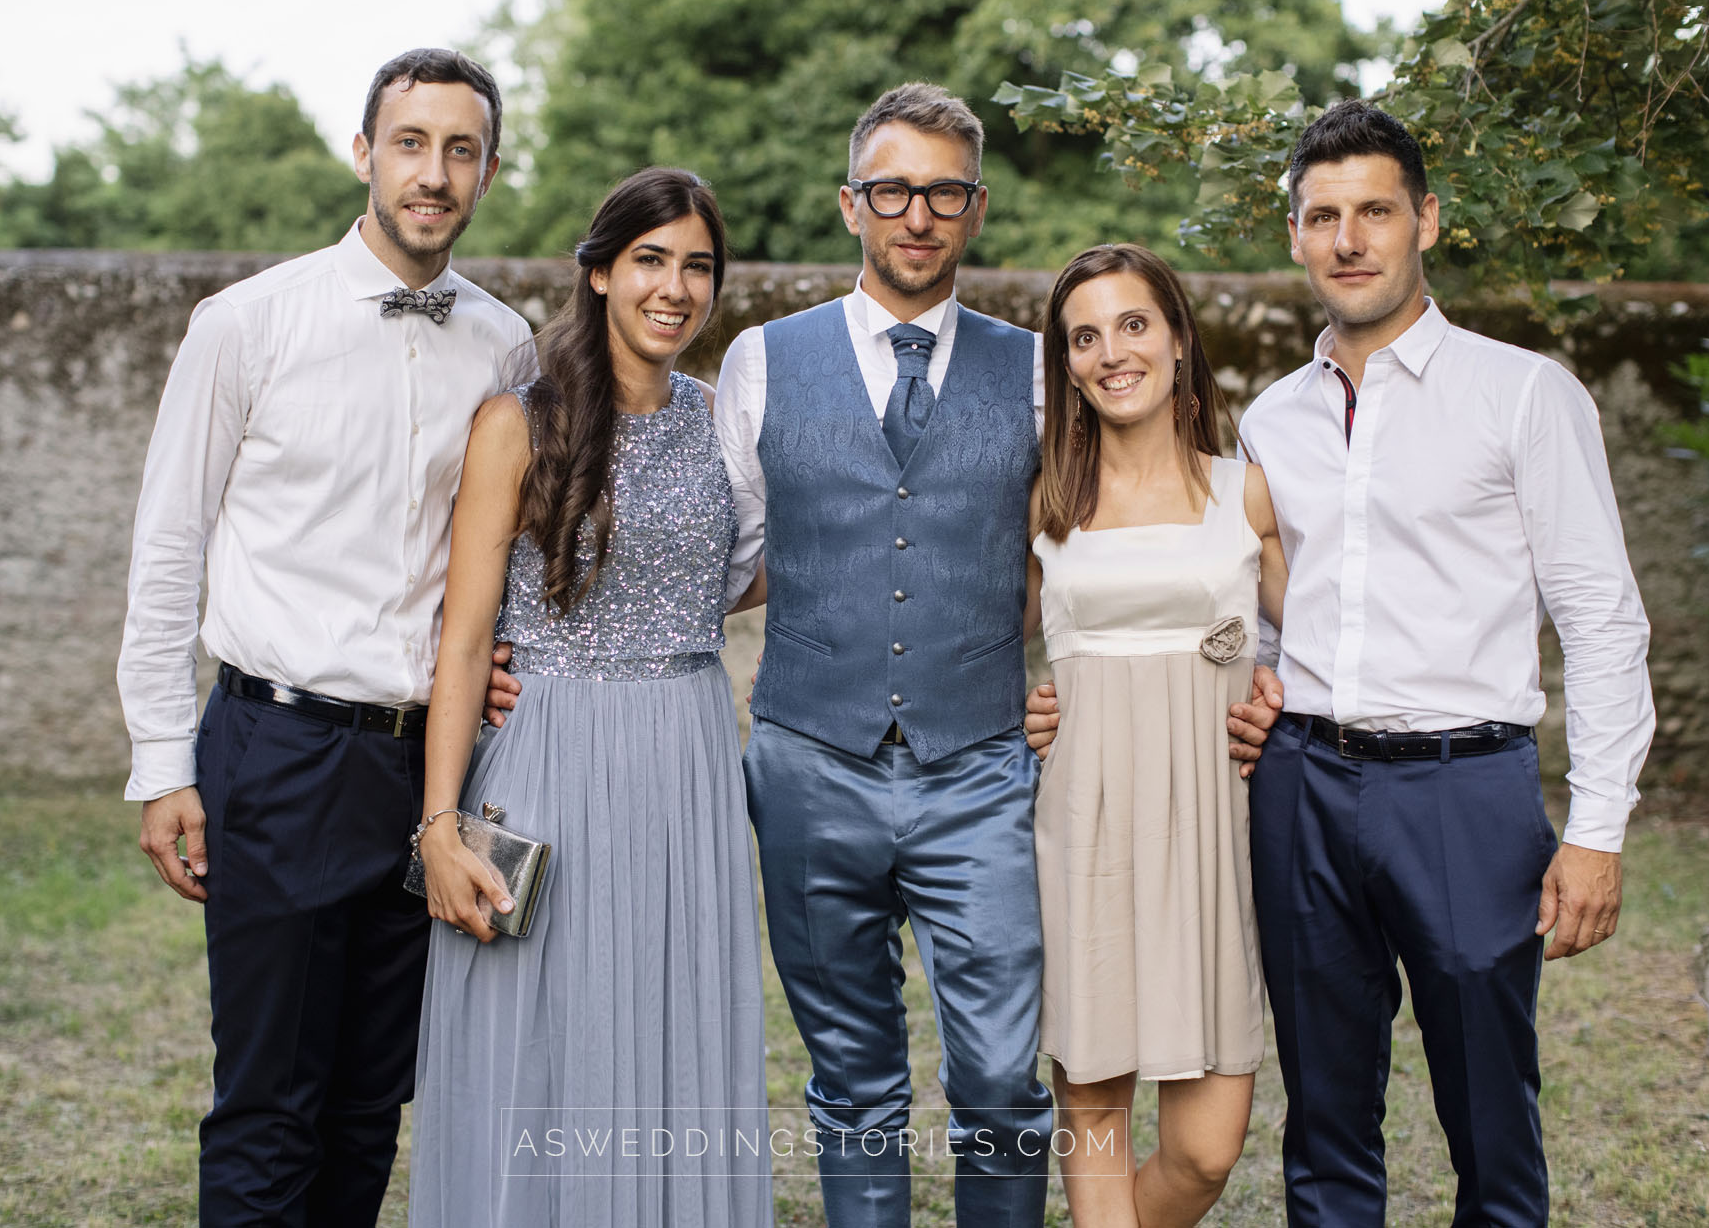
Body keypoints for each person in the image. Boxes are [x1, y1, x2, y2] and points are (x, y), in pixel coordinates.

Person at [1028, 100, 1655, 1227]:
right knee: (1322, 1121)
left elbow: (1601, 617)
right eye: (1322, 215)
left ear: (1424, 218)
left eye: (1373, 210)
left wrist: (1597, 826)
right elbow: (1251, 605)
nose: (1348, 238)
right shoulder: (1271, 423)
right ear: (1293, 234)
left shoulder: (1520, 394)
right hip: (1299, 787)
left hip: (1464, 787)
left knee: (1489, 1117)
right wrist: (1162, 687)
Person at [705, 84, 1282, 1227]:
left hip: (981, 768)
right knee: (852, 1083)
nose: (916, 214)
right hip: (808, 760)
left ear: (974, 209)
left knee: (1001, 1081)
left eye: (944, 192)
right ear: (849, 204)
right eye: (892, 189)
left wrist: (1210, 675)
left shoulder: (1038, 370)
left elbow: (1093, 545)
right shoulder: (761, 362)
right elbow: (721, 561)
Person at [117, 48, 535, 1226]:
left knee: (369, 1103)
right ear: (363, 153)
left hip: (429, 769)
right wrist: (163, 763)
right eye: (411, 143)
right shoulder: (245, 323)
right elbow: (165, 547)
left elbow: (495, 551)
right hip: (277, 748)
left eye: (461, 150)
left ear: (488, 172)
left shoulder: (505, 345)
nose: (433, 172)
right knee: (267, 1102)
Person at [408, 167, 771, 1226]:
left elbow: (743, 570)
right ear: (601, 271)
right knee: (545, 1035)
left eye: (697, 265)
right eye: (651, 259)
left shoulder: (724, 422)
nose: (675, 286)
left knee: (673, 1026)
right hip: (551, 749)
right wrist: (438, 823)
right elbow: (465, 638)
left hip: (689, 750)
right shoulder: (518, 421)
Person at [1025, 243, 1286, 1227]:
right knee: (1092, 1107)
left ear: (1176, 338)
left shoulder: (1246, 494)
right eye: (1083, 336)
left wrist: (1275, 700)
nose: (1109, 352)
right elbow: (957, 648)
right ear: (1067, 364)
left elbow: (1323, 656)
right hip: (1085, 826)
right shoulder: (1046, 507)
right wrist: (1019, 708)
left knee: (1204, 1149)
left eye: (1131, 324)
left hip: (1214, 835)